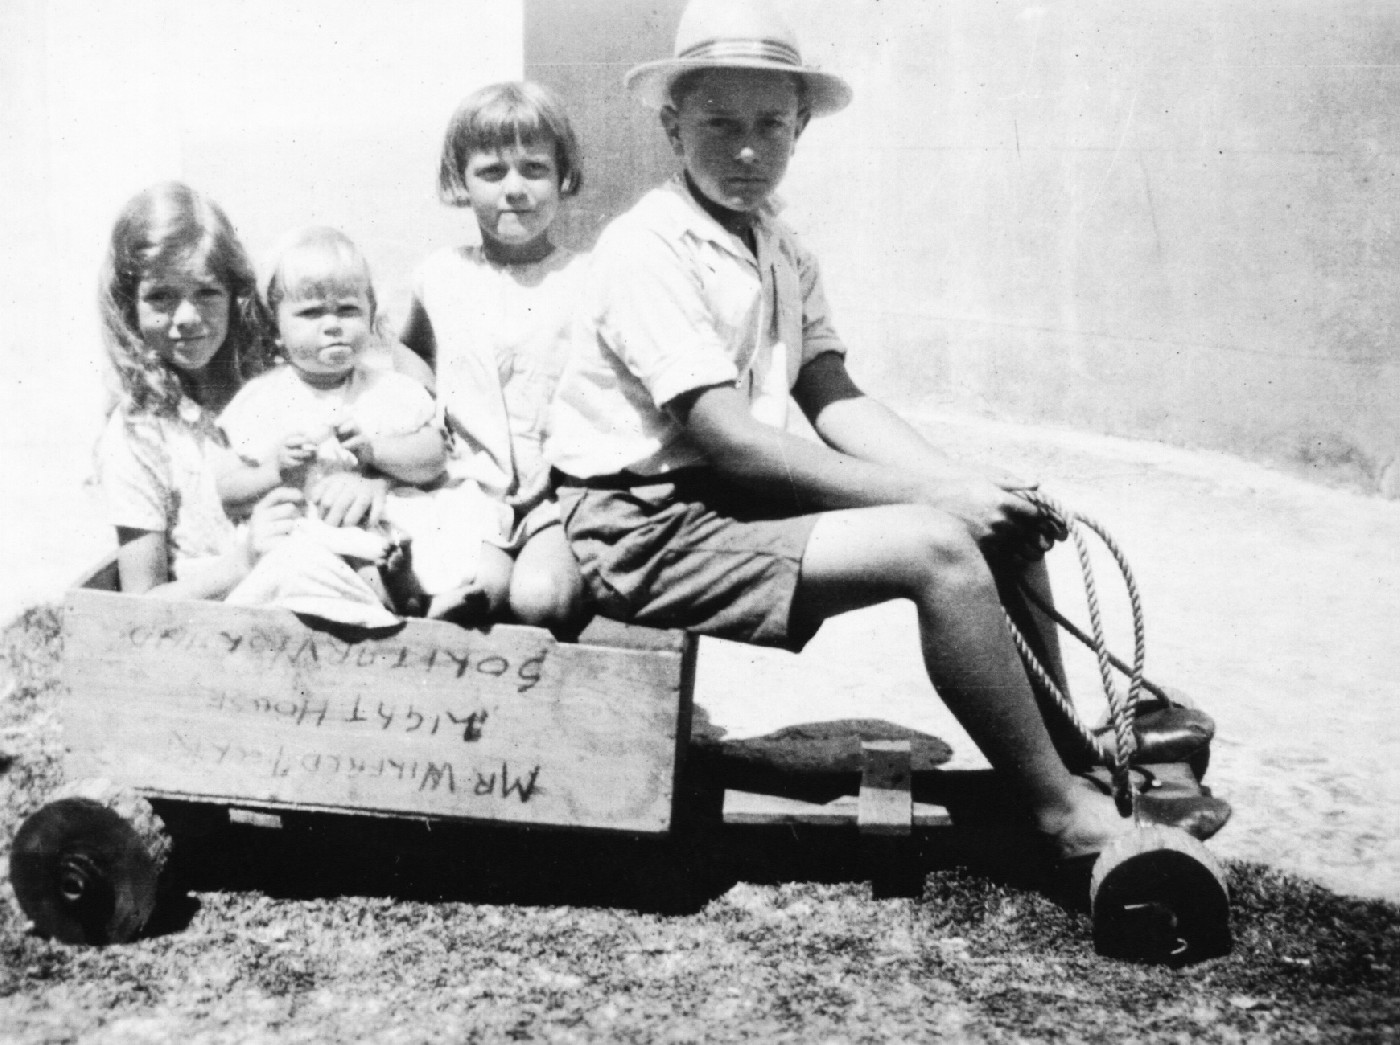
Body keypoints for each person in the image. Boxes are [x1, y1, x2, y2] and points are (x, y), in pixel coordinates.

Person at [545, 0, 1228, 863]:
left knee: (1002, 527)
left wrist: (977, 487)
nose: (748, 149)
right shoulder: (648, 247)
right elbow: (732, 440)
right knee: (935, 548)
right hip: (642, 527)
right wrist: (939, 499)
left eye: (772, 125)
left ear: (801, 131)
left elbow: (831, 393)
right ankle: (1060, 815)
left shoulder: (780, 247)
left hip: (722, 505)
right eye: (719, 125)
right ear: (673, 129)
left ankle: (1073, 761)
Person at [218, 226, 513, 620]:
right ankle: (396, 596)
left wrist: (377, 451)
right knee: (305, 550)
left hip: (387, 520)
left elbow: (434, 457)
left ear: (371, 315)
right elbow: (229, 489)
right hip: (314, 527)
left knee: (453, 511)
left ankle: (432, 596)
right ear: (276, 329)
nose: (332, 324)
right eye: (309, 313)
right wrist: (274, 468)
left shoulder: (389, 389)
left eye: (348, 309)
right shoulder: (262, 399)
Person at [401, 81, 588, 632]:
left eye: (534, 169)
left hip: (557, 492)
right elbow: (411, 353)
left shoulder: (586, 280)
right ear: (460, 179)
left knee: (541, 599)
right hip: (468, 490)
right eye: (491, 172)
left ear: (562, 176)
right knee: (470, 590)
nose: (515, 189)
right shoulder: (440, 276)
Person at [95, 181, 309, 599]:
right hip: (216, 632)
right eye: (161, 297)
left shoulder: (281, 382)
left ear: (235, 294)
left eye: (207, 292)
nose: (187, 316)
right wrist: (245, 560)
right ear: (128, 307)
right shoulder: (138, 436)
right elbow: (141, 601)